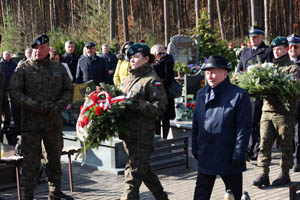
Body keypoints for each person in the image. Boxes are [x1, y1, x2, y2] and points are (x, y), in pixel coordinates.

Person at [8, 34, 74, 200]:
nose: (37, 51)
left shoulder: (58, 68)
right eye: (35, 48)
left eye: (41, 48)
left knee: (54, 160)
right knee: (31, 163)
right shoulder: (23, 68)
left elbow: (69, 90)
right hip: (31, 125)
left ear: (48, 48)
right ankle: (28, 195)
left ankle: (55, 192)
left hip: (53, 123)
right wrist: (35, 105)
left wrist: (59, 105)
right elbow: (14, 93)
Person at [192, 55, 252, 200]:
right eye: (207, 72)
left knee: (233, 195)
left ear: (225, 73)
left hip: (229, 155)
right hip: (206, 153)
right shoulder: (201, 94)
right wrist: (195, 147)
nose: (210, 76)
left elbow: (243, 127)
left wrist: (239, 152)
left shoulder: (238, 95)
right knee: (201, 194)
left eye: (214, 72)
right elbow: (196, 124)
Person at [119, 43, 169, 200]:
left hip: (142, 135)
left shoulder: (152, 80)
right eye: (131, 57)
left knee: (132, 175)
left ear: (146, 59)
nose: (132, 60)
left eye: (136, 57)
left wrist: (136, 104)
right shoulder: (127, 79)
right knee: (144, 169)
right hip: (127, 134)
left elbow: (159, 108)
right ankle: (161, 197)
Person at [253, 36, 300, 187]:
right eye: (274, 49)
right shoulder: (268, 67)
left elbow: (295, 91)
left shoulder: (293, 68)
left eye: (279, 49)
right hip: (267, 110)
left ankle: (284, 173)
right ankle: (263, 173)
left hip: (283, 112)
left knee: (285, 143)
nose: (276, 52)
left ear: (287, 49)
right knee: (264, 142)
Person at [237, 26, 272, 161]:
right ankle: (249, 149)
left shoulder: (267, 51)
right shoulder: (245, 51)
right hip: (246, 92)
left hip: (259, 92)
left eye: (256, 37)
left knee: (257, 122)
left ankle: (258, 148)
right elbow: (240, 69)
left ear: (262, 37)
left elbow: (270, 71)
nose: (252, 39)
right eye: (251, 37)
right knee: (248, 122)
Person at [151, 44, 175, 139]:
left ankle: (165, 139)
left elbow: (169, 78)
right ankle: (157, 139)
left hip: (166, 93)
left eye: (163, 53)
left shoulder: (167, 62)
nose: (162, 55)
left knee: (165, 119)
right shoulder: (151, 65)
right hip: (154, 94)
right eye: (159, 53)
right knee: (156, 119)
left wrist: (161, 83)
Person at [287, 34, 300, 172]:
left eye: (295, 46)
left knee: (298, 134)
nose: (292, 49)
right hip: (284, 105)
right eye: (289, 46)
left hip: (298, 105)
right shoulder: (282, 63)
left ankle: (298, 160)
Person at [0, 50, 17, 144]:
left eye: (8, 54)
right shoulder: (1, 65)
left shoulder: (13, 65)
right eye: (5, 54)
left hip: (7, 90)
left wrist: (7, 118)